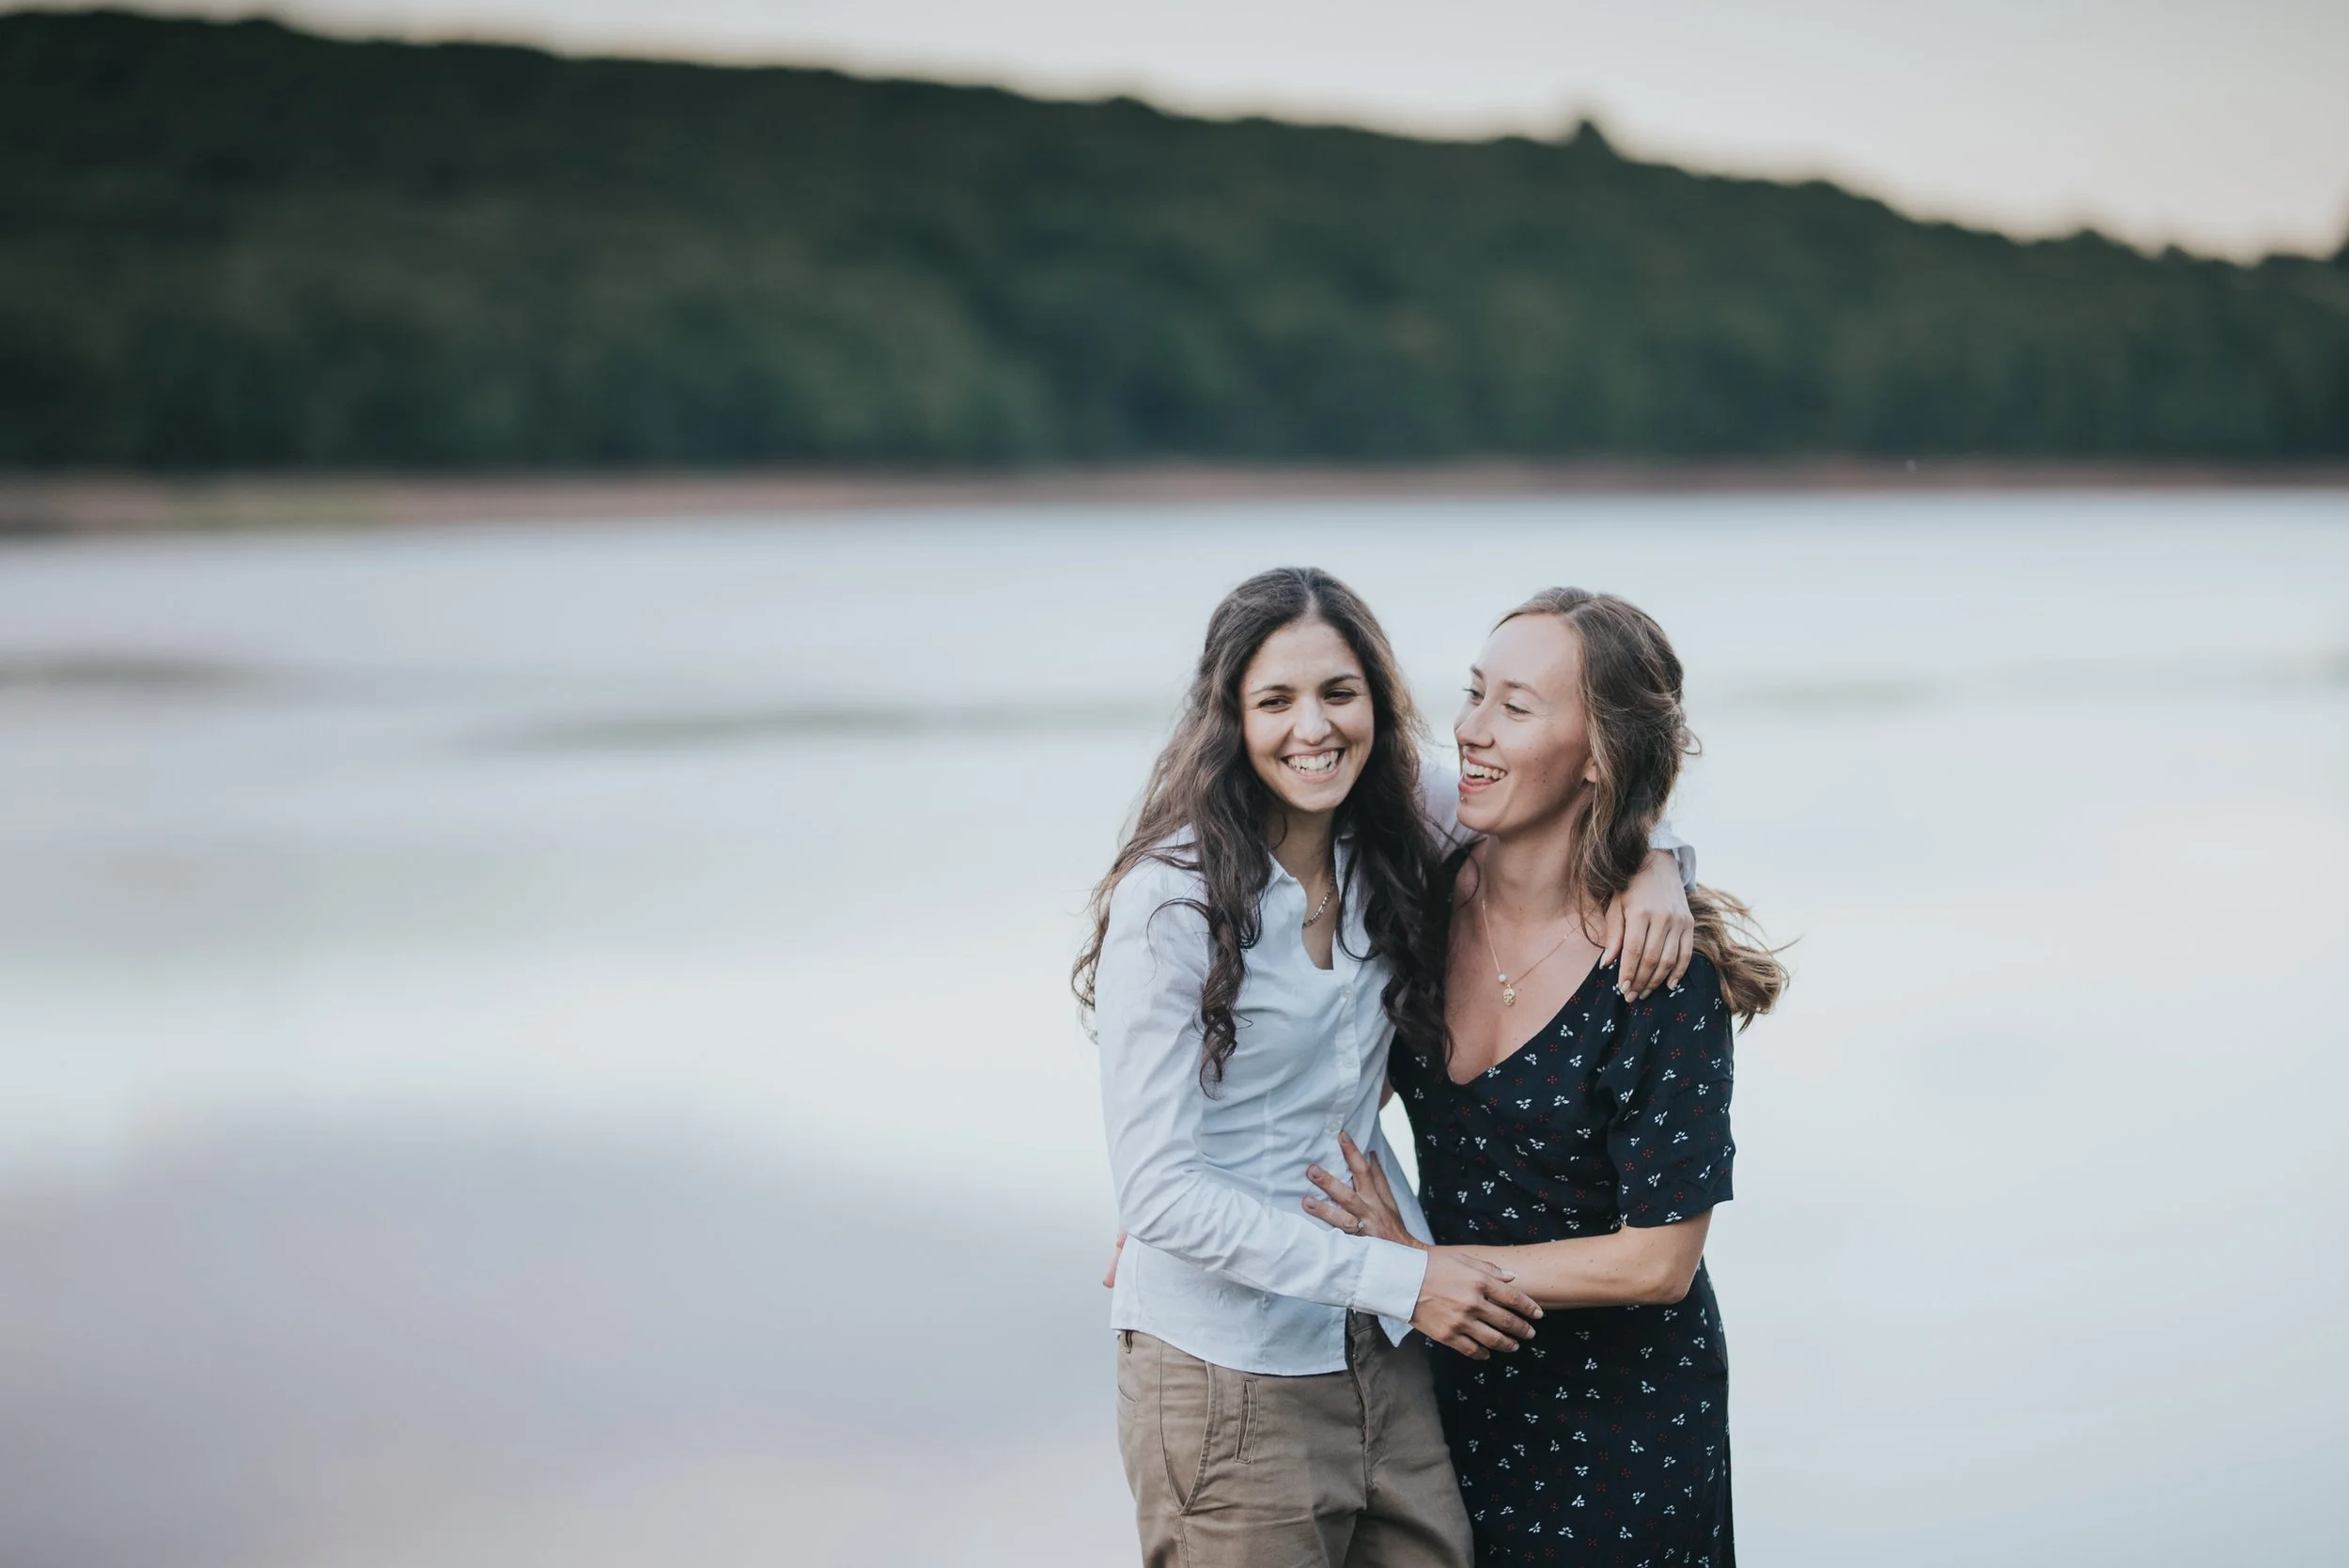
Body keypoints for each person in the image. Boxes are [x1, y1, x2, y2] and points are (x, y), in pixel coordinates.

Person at [1079, 568, 1700, 1568]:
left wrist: (1657, 862)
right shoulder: (1169, 905)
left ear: (1375, 698)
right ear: (1226, 719)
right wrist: (1405, 1278)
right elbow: (1157, 1192)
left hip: (1386, 1357)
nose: (1311, 728)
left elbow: (1577, 789)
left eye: (1338, 692)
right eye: (1273, 700)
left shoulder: (1397, 826)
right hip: (1228, 1366)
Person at [1300, 587, 1785, 1568]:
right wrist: (1173, 1192)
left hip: (1627, 1437)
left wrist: (1426, 1269)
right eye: (1475, 694)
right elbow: (1315, 1083)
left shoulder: (1656, 971)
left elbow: (1658, 1261)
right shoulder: (1420, 906)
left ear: (1598, 752)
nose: (1470, 732)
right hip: (1446, 1405)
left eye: (1515, 708)